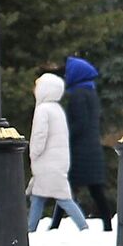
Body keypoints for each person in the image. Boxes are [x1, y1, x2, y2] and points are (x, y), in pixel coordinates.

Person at [27, 72, 89, 231]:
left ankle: (83, 226)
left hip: (46, 161)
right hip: (58, 161)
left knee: (62, 197)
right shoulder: (57, 109)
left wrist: (33, 153)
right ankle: (30, 228)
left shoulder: (42, 110)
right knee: (39, 195)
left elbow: (39, 135)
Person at [59, 55, 113, 230]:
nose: (66, 76)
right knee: (94, 190)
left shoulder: (78, 95)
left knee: (66, 190)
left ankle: (55, 226)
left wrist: (66, 136)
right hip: (91, 149)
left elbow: (79, 123)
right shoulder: (91, 92)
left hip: (79, 151)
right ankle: (107, 225)